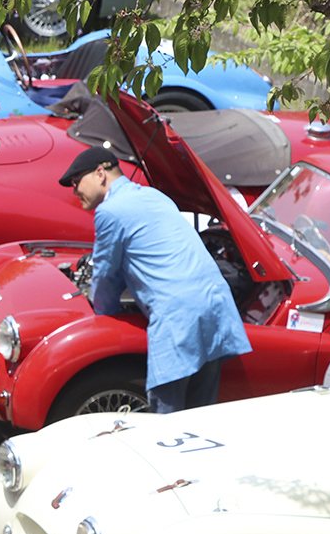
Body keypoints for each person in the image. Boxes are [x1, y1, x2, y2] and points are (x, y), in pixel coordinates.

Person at [59, 146, 251, 413]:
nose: (74, 190)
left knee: (165, 416)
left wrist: (103, 316)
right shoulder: (154, 196)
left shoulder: (110, 211)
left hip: (178, 315)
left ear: (100, 173)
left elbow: (106, 276)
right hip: (215, 305)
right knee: (201, 413)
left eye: (76, 182)